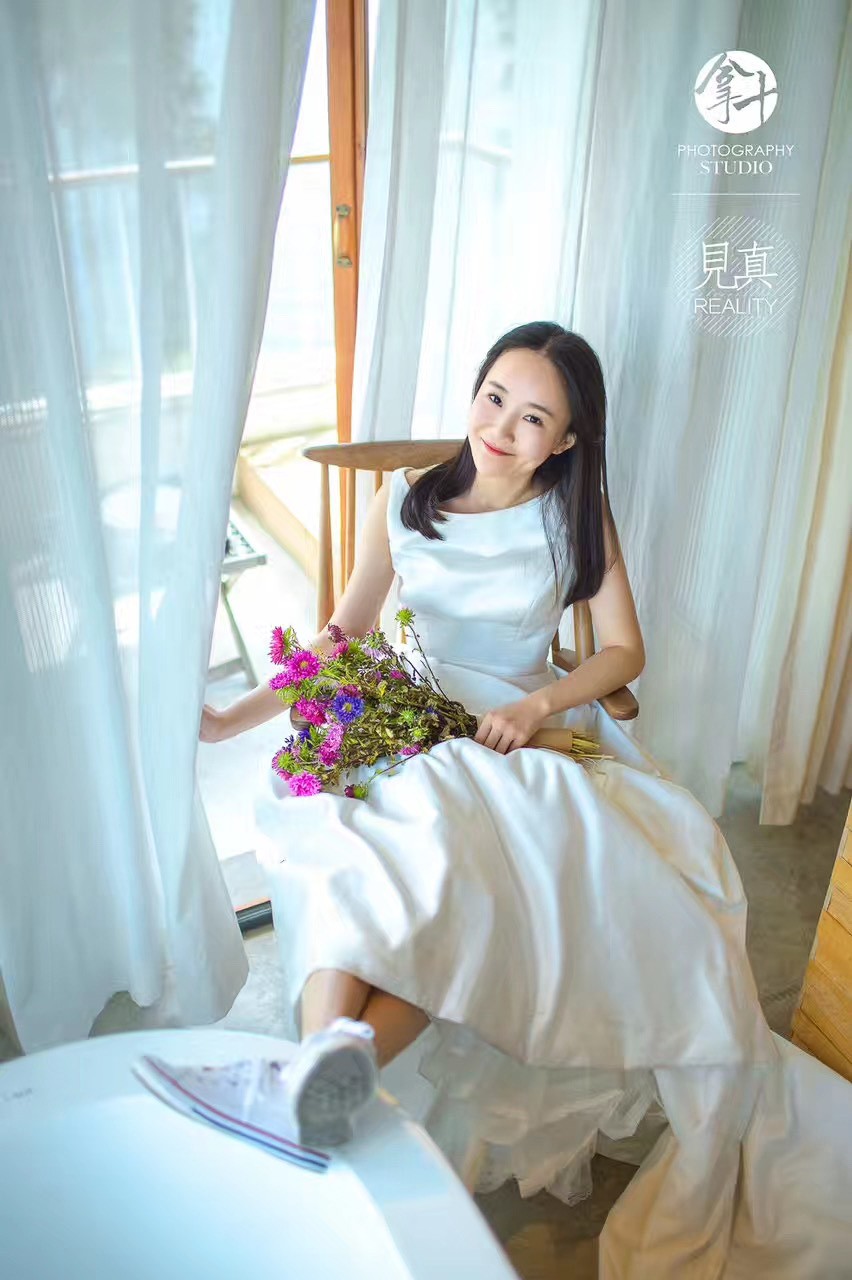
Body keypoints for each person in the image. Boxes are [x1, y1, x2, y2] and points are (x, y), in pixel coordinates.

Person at [201, 322, 852, 1278]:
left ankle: (324, 1081)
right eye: (494, 397)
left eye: (534, 417)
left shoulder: (571, 517)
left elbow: (624, 651)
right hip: (406, 715)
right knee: (354, 855)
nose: (502, 427)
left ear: (568, 439)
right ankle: (322, 1072)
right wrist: (232, 720)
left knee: (449, 877)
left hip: (514, 734)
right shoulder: (405, 499)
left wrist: (541, 702)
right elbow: (343, 636)